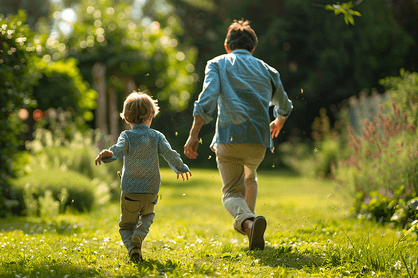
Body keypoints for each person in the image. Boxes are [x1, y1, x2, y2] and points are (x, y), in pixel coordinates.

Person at [183, 19, 293, 251]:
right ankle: (251, 227)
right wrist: (279, 120)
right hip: (259, 143)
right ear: (253, 48)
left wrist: (194, 134)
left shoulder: (218, 64)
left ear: (227, 46)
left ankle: (249, 223)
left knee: (231, 192)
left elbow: (207, 99)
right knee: (249, 177)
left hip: (229, 139)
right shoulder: (268, 69)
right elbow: (285, 105)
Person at [95, 91, 192, 262]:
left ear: (126, 118)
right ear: (152, 115)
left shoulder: (127, 135)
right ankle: (139, 236)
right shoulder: (156, 136)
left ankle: (132, 247)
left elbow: (118, 149)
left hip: (130, 190)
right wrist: (181, 167)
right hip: (151, 190)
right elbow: (169, 154)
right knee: (147, 216)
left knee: (125, 226)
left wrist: (109, 154)